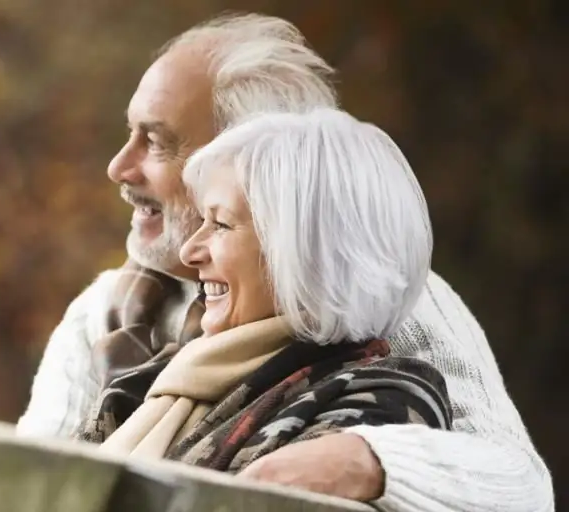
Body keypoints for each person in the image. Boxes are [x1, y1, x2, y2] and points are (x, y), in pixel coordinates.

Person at [15, 13, 553, 512]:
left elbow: (523, 490)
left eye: (155, 141)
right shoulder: (104, 313)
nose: (118, 167)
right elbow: (20, 486)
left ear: (268, 164)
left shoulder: (385, 296)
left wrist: (369, 461)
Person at [74, 107, 451, 474]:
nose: (189, 252)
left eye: (220, 224)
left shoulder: (380, 402)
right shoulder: (157, 378)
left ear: (308, 252)